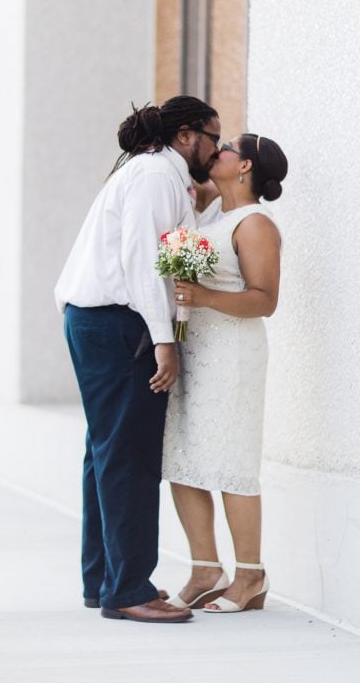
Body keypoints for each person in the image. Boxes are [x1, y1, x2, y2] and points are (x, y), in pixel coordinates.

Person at [55, 97, 221, 624]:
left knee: (107, 452)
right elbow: (145, 264)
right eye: (214, 138)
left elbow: (180, 256)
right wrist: (164, 340)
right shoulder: (154, 175)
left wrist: (212, 202)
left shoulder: (165, 179)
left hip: (101, 320)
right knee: (129, 455)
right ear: (188, 135)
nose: (216, 149)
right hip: (117, 323)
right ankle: (128, 590)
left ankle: (103, 580)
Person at [162, 133, 288, 614]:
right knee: (183, 458)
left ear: (246, 168)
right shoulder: (213, 214)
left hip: (234, 355)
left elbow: (266, 299)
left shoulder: (255, 224)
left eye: (230, 147)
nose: (221, 150)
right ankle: (204, 568)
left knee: (233, 462)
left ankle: (250, 576)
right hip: (196, 349)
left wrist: (204, 297)